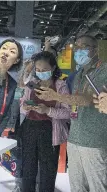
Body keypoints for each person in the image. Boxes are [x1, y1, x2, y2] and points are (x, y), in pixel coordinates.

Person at [35, 35, 107, 192]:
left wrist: (56, 96)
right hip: (74, 139)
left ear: (96, 50)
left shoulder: (103, 70)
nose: (79, 51)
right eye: (77, 47)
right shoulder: (79, 75)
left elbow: (88, 100)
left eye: (84, 47)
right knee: (76, 186)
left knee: (97, 186)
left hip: (94, 142)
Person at [19, 51, 70, 192]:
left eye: (45, 70)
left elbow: (68, 113)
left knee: (48, 171)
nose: (41, 72)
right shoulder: (31, 84)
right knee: (28, 168)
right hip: (29, 127)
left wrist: (48, 111)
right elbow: (22, 105)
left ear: (53, 68)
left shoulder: (60, 86)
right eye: (38, 70)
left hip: (49, 131)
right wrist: (24, 107)